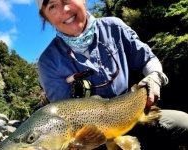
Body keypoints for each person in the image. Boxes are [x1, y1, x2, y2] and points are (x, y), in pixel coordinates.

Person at [35, 0, 188, 149]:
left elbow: (148, 59)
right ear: (46, 18)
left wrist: (155, 77)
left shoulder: (114, 27)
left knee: (184, 122)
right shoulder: (48, 63)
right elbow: (63, 112)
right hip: (93, 140)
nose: (64, 9)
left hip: (133, 113)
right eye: (52, 6)